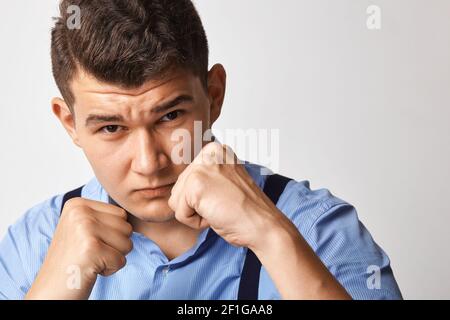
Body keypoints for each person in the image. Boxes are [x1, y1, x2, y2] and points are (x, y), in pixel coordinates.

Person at [0, 0, 402, 300]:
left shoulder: (319, 232)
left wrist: (272, 237)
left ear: (214, 95)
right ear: (69, 122)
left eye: (170, 116)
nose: (149, 163)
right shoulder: (32, 245)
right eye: (110, 127)